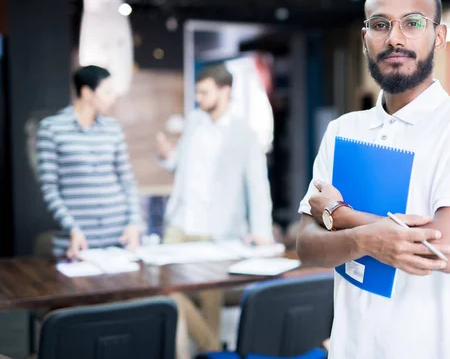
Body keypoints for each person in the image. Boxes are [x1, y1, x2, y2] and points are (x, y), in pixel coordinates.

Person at [296, 0, 450, 359]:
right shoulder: (342, 130)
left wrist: (337, 215)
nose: (395, 38)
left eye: (412, 23)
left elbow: (443, 251)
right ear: (365, 39)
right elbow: (306, 246)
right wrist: (365, 238)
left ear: (438, 37)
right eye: (380, 25)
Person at [156, 63, 273, 358]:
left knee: (211, 302)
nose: (198, 97)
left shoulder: (244, 133)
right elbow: (178, 164)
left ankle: (206, 351)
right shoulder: (194, 122)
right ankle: (213, 349)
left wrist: (262, 231)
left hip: (216, 230)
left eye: (204, 91)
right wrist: (166, 156)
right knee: (164, 289)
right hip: (180, 224)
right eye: (197, 91)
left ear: (225, 91)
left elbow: (257, 185)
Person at [36, 65, 143, 258]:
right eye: (107, 91)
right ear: (87, 92)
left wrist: (134, 223)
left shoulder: (113, 128)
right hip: (77, 241)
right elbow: (49, 189)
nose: (113, 97)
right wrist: (72, 228)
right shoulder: (51, 128)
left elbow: (127, 180)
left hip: (117, 239)